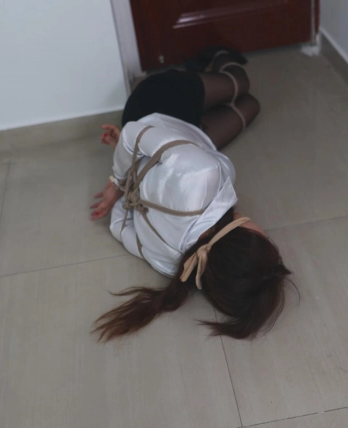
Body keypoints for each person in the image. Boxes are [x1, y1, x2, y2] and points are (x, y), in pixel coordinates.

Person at [89, 49, 291, 341]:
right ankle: (209, 65)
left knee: (243, 87)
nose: (264, 230)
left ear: (245, 238)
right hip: (187, 139)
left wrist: (118, 179)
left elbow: (133, 132)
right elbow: (118, 225)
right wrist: (129, 184)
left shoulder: (203, 175)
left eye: (264, 238)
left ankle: (217, 54)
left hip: (155, 105)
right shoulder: (175, 265)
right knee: (250, 106)